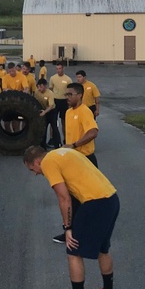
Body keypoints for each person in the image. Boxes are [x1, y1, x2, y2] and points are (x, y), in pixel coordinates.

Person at [23, 145, 120, 289]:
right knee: (103, 249)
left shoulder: (48, 163)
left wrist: (67, 228)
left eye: (33, 169)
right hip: (111, 199)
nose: (35, 173)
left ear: (37, 161)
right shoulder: (65, 152)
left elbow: (64, 197)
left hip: (94, 203)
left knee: (73, 252)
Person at [52, 82, 100, 243]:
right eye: (66, 94)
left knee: (86, 197)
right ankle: (72, 232)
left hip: (85, 159)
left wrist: (74, 145)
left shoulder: (84, 111)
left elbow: (93, 132)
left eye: (70, 94)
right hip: (73, 159)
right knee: (72, 197)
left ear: (80, 95)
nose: (67, 97)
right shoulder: (67, 112)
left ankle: (86, 232)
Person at [48, 61, 72, 135]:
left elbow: (70, 93)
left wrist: (69, 103)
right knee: (53, 121)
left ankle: (65, 138)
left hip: (64, 102)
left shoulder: (68, 79)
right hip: (55, 101)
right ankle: (52, 138)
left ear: (63, 68)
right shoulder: (53, 78)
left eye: (60, 68)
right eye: (57, 69)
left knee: (64, 121)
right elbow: (50, 90)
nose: (58, 70)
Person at [35, 78, 60, 148]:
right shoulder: (36, 92)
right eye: (38, 87)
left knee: (54, 127)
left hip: (51, 111)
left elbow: (51, 106)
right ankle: (43, 146)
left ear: (46, 86)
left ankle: (57, 145)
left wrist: (45, 112)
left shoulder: (50, 93)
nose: (40, 89)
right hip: (42, 110)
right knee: (43, 128)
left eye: (41, 87)